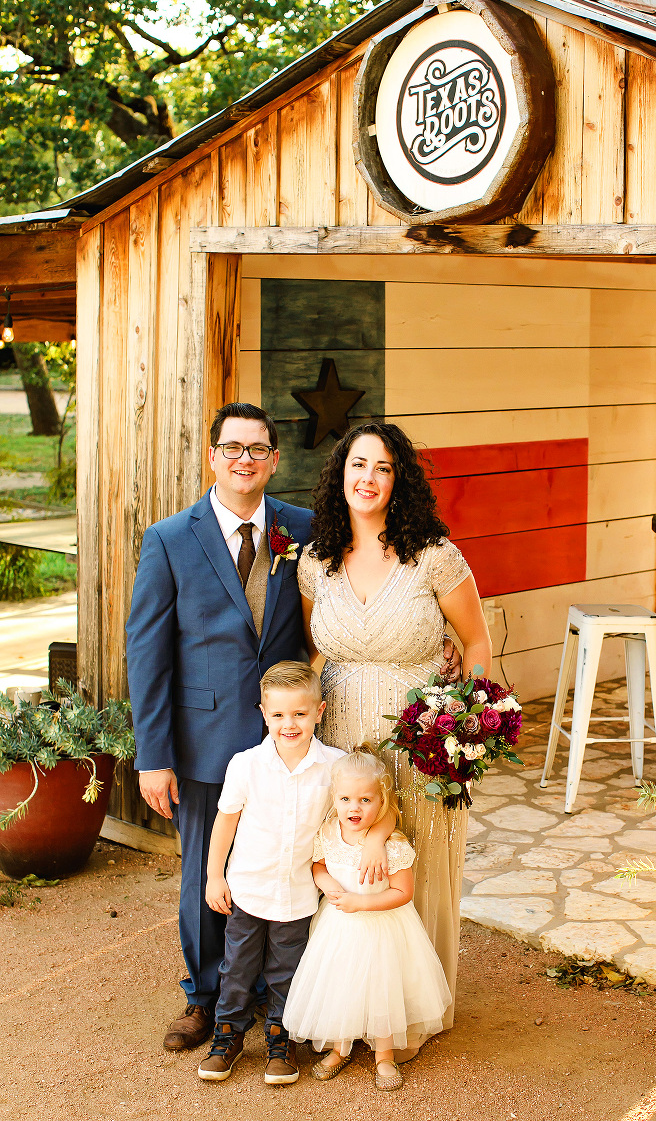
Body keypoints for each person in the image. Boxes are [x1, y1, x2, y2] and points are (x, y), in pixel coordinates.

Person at [126, 402, 315, 1052]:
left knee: (285, 861)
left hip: (285, 737)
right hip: (201, 740)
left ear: (274, 460)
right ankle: (205, 998)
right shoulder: (170, 539)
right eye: (232, 448)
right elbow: (148, 652)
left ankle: (273, 993)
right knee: (208, 873)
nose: (244, 460)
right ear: (212, 457)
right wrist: (154, 755)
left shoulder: (300, 529)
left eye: (257, 449)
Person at [298, 422, 492, 1051]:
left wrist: (466, 723)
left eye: (383, 468)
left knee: (417, 867)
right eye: (358, 464)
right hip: (344, 743)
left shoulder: (433, 555)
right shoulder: (316, 561)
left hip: (421, 741)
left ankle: (411, 1013)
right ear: (340, 474)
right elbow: (314, 651)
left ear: (398, 481)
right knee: (352, 863)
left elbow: (476, 641)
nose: (368, 478)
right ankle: (347, 1013)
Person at [198, 663, 394, 1085]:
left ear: (319, 712)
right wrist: (215, 876)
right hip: (249, 889)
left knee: (287, 971)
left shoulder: (335, 766)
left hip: (300, 894)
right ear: (264, 714)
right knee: (238, 968)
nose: (290, 724)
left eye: (300, 714)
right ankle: (227, 1035)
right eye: (279, 714)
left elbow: (380, 803)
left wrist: (377, 839)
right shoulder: (246, 765)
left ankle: (280, 1040)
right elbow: (225, 823)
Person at [283, 746, 451, 1091]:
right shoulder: (329, 833)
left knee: (381, 988)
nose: (354, 808)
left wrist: (361, 902)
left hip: (381, 928)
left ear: (381, 801)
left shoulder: (392, 843)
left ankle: (384, 1055)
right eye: (345, 799)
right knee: (340, 984)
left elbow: (402, 892)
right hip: (339, 928)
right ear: (334, 798)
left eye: (365, 800)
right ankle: (340, 1047)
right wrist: (326, 883)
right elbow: (318, 865)